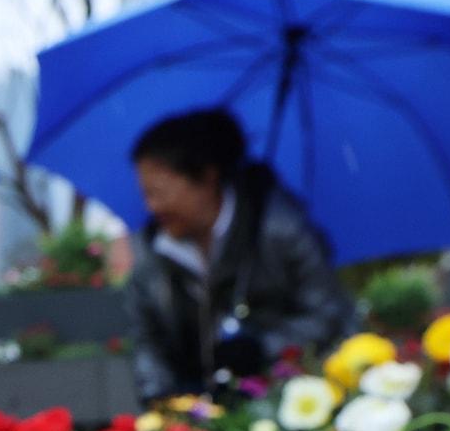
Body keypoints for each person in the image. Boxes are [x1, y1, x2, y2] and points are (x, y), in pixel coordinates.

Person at [125, 107, 352, 403]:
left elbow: (328, 315)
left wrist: (262, 347)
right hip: (197, 410)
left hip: (284, 400)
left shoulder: (279, 230)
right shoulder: (152, 253)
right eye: (146, 194)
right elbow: (148, 344)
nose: (152, 207)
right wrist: (162, 402)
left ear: (207, 177)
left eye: (161, 192)